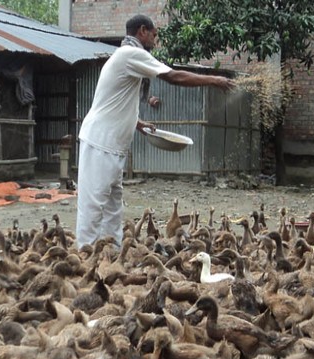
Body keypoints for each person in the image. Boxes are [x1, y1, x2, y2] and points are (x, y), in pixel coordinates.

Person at [75, 14, 234, 249]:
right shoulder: (131, 54)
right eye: (154, 34)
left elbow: (118, 99)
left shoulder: (127, 57)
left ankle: (114, 252)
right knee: (93, 204)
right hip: (100, 141)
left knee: (112, 205)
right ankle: (84, 254)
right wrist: (213, 80)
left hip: (113, 145)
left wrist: (137, 123)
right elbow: (173, 76)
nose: (155, 39)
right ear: (142, 31)